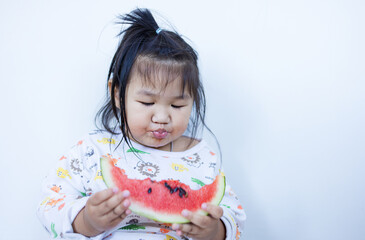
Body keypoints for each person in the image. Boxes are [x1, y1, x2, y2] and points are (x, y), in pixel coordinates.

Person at [37, 8, 246, 240]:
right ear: (117, 95)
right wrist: (86, 220)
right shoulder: (93, 149)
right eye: (147, 102)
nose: (162, 117)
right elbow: (50, 203)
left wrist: (216, 230)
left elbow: (234, 214)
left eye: (177, 106)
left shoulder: (203, 157)